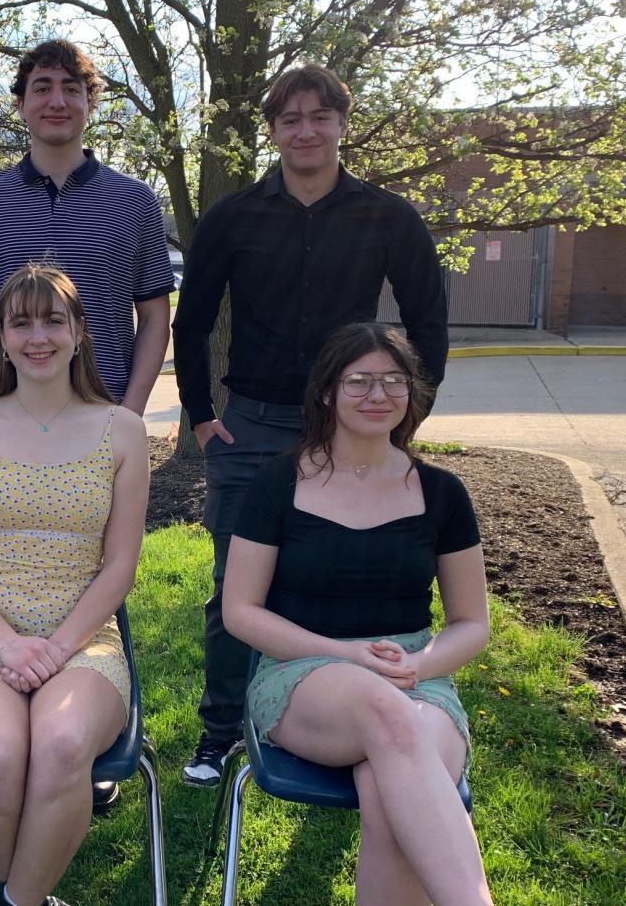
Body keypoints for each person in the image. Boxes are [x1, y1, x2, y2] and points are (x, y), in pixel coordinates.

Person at [172, 62, 451, 786]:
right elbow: (193, 320)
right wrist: (201, 416)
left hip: (353, 423)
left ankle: (363, 708)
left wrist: (405, 413)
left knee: (354, 577)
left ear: (341, 124)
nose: (305, 130)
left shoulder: (387, 216)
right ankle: (220, 730)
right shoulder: (234, 218)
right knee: (236, 587)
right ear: (272, 131)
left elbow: (429, 317)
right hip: (253, 427)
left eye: (319, 117)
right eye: (289, 119)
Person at [222, 322, 492, 905]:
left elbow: (472, 622)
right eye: (360, 381)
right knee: (389, 717)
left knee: (387, 793)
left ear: (412, 394)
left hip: (418, 677)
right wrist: (345, 653)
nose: (378, 395)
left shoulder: (442, 492)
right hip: (304, 671)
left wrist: (420, 664)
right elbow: (240, 610)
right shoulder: (279, 483)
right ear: (327, 392)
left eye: (394, 381)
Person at [0, 265, 150, 906]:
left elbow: (120, 566)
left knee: (59, 745)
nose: (38, 336)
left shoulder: (123, 430)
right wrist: (6, 644)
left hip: (84, 641)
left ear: (79, 332)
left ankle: (13, 898)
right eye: (20, 321)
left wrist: (55, 648)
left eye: (54, 320)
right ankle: (15, 887)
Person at [0, 38, 174, 416]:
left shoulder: (135, 201)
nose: (57, 102)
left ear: (90, 104)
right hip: (5, 422)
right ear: (21, 105)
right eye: (43, 88)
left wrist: (131, 411)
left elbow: (156, 316)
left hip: (105, 418)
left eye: (72, 89)